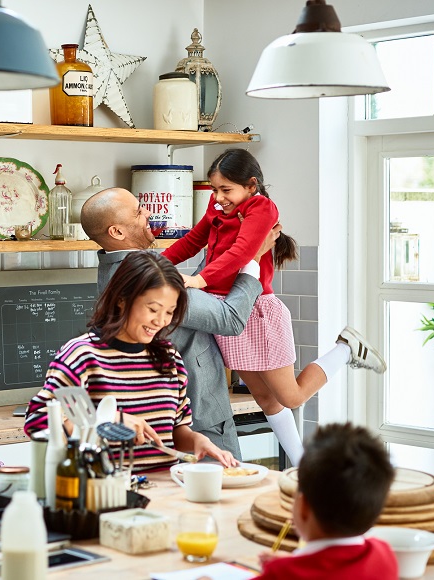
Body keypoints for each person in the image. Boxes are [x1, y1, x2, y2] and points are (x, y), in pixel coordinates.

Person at [162, 149, 386, 466]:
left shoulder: (262, 209)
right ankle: (301, 465)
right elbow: (190, 241)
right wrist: (153, 266)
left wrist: (200, 279)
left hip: (257, 313)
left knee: (290, 396)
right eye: (215, 189)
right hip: (228, 311)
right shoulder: (217, 209)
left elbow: (242, 253)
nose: (218, 197)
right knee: (265, 399)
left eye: (226, 189)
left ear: (251, 185)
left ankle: (346, 349)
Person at [80, 187, 277, 460]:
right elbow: (229, 319)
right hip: (198, 421)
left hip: (177, 422)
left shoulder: (120, 270)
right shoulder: (146, 278)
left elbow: (191, 294)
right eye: (138, 212)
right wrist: (253, 259)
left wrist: (227, 250)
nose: (148, 212)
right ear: (116, 232)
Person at [23, 251, 237, 472]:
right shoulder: (82, 356)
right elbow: (37, 423)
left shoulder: (169, 359)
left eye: (169, 312)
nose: (160, 321)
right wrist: (110, 419)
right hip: (105, 495)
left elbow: (174, 431)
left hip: (165, 493)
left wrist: (197, 442)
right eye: (153, 309)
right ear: (122, 300)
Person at [256, 423, 398, 580]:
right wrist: (295, 562)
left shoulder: (281, 574)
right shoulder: (384, 555)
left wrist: (284, 568)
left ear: (303, 507)